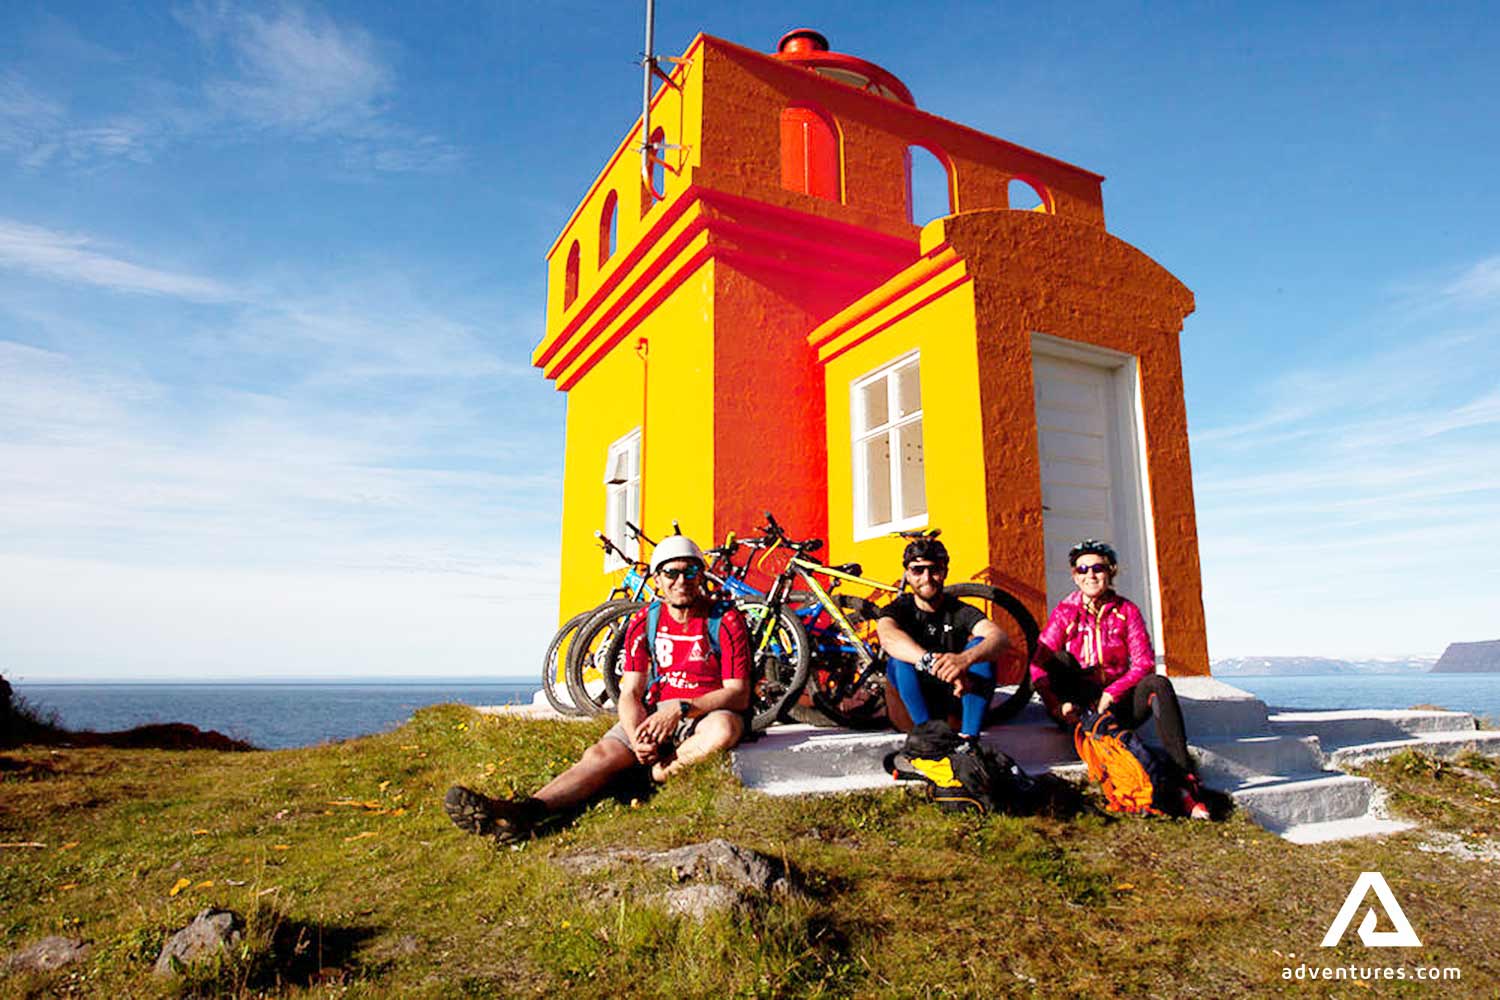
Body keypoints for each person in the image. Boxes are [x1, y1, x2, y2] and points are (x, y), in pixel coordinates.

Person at [445, 535, 751, 843]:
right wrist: (634, 736)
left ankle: (653, 776)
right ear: (657, 579)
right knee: (601, 755)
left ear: (702, 576)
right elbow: (631, 691)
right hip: (656, 710)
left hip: (705, 710)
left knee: (724, 729)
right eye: (671, 573)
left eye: (690, 571)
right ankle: (522, 813)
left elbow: (738, 693)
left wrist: (682, 707)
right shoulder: (645, 621)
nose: (680, 580)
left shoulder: (726, 620)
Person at [1029, 539, 1210, 819]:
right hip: (1078, 705)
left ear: (1110, 572)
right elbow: (1038, 663)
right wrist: (1055, 704)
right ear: (1075, 576)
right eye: (1083, 569)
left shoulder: (1126, 611)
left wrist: (1113, 691)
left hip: (1117, 702)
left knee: (1158, 684)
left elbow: (1144, 663)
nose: (1091, 575)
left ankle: (1185, 778)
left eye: (1098, 568)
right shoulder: (1065, 612)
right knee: (1060, 660)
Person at [877, 537, 1012, 747]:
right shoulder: (900, 608)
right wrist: (930, 662)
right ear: (906, 573)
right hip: (910, 710)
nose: (926, 578)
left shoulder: (959, 611)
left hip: (954, 702)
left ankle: (970, 740)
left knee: (980, 646)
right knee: (900, 660)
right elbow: (887, 636)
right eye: (917, 570)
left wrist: (963, 660)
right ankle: (928, 737)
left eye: (934, 570)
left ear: (945, 571)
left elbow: (1000, 638)